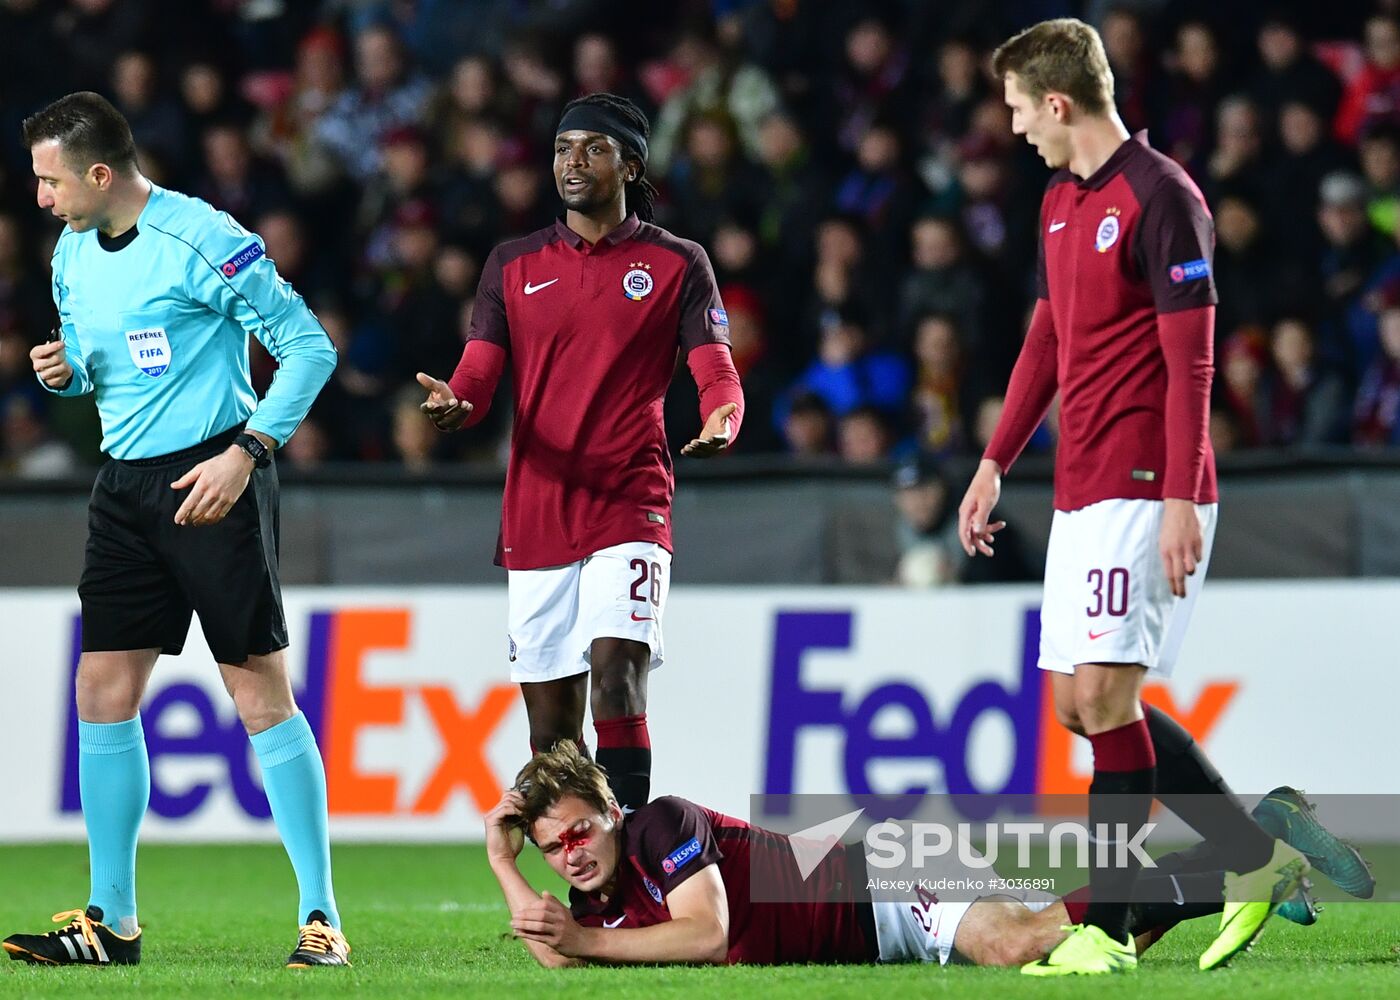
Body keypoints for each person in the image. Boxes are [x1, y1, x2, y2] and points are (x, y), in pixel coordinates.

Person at [956, 20, 1316, 976]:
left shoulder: (1165, 198)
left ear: (1060, 102)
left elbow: (1192, 359)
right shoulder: (1059, 201)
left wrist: (1183, 498)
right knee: (1078, 708)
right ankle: (1252, 854)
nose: (1016, 126)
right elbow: (1047, 340)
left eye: (1020, 109)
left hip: (1146, 485)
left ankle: (1106, 934)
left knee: (1108, 697)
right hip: (1081, 487)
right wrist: (996, 459)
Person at [3, 92, 347, 969]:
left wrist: (249, 452)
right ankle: (111, 922)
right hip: (124, 488)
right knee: (100, 691)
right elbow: (96, 367)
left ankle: (322, 919)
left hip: (215, 477)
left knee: (259, 697)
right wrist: (67, 371)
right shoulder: (71, 254)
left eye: (50, 182)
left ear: (102, 174)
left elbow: (309, 345)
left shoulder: (201, 238)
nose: (40, 199)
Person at [416, 93, 744, 812]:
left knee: (618, 674)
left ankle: (637, 875)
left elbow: (716, 367)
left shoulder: (677, 263)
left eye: (593, 148)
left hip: (630, 499)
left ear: (630, 164)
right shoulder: (512, 262)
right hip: (536, 507)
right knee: (552, 734)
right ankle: (592, 891)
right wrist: (457, 403)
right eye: (564, 148)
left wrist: (724, 415)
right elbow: (478, 370)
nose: (572, 162)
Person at [485, 743, 1362, 969]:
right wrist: (502, 860)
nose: (567, 856)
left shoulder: (657, 825)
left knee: (1015, 942)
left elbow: (706, 932)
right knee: (1074, 944)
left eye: (578, 833)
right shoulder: (594, 882)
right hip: (875, 925)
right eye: (552, 845)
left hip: (884, 885)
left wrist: (588, 939)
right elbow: (557, 953)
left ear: (611, 808)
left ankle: (1250, 845)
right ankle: (1258, 861)